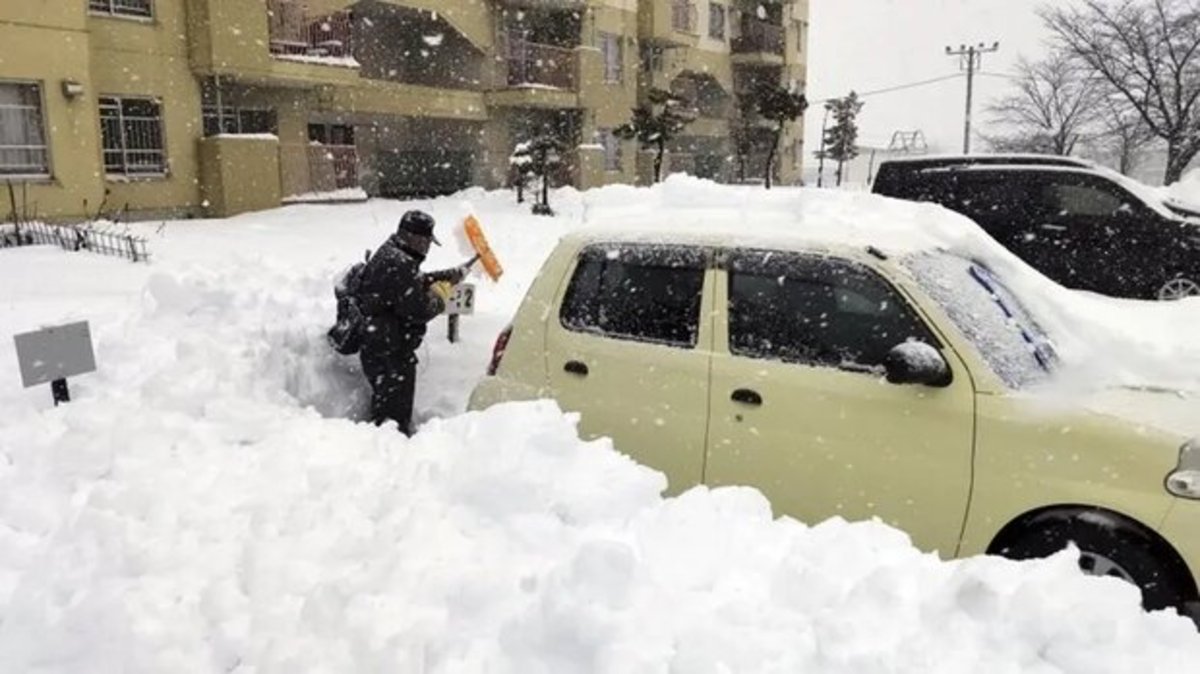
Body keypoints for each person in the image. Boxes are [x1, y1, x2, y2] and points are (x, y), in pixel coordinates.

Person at [356, 210, 465, 435]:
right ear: (413, 237)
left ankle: (383, 442)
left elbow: (410, 283)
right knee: (393, 422)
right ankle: (392, 455)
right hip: (390, 354)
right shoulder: (400, 263)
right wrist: (441, 294)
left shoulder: (392, 253)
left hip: (380, 347)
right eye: (426, 242)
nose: (427, 248)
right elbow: (419, 309)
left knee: (384, 411)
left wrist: (444, 275)